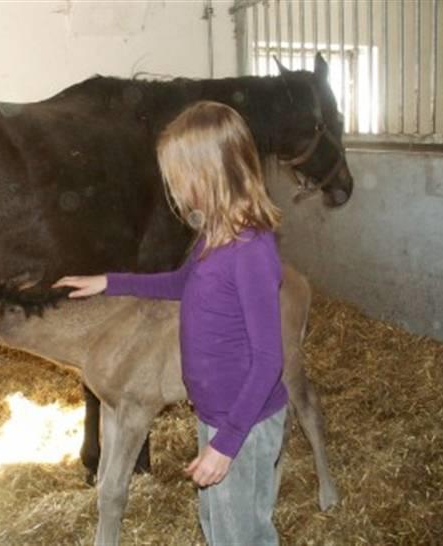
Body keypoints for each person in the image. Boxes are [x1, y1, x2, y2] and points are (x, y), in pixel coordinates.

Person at [53, 100, 288, 546]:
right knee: (220, 526)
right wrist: (109, 282)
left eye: (179, 176)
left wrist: (228, 443)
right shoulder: (214, 237)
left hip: (246, 422)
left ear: (210, 173)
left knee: (241, 536)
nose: (176, 189)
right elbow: (182, 283)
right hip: (218, 414)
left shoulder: (251, 251)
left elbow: (268, 359)